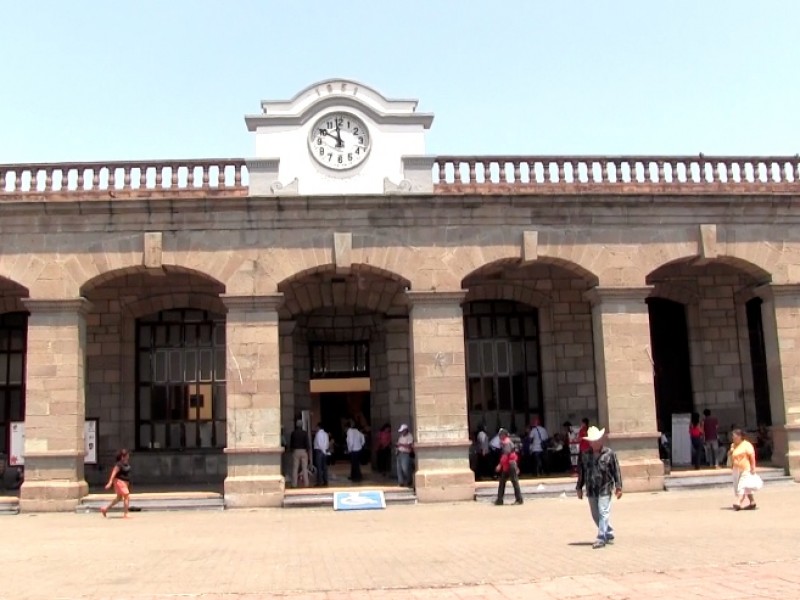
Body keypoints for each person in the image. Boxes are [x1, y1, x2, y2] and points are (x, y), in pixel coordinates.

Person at [576, 426, 623, 549]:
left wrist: (619, 486)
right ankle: (609, 532)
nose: (595, 442)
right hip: (591, 488)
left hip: (605, 487)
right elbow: (581, 472)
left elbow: (616, 471)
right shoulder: (585, 455)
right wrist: (579, 488)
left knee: (603, 512)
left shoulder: (609, 454)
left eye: (597, 440)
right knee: (595, 514)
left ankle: (601, 537)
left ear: (601, 440)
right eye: (593, 440)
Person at [729, 428, 761, 511]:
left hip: (746, 468)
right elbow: (731, 455)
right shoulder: (733, 445)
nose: (733, 438)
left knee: (742, 486)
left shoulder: (747, 445)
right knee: (746, 487)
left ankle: (738, 502)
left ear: (740, 436)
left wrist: (753, 467)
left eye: (734, 436)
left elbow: (752, 456)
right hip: (736, 469)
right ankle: (752, 501)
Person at [494, 428, 523, 505]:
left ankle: (519, 499)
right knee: (502, 482)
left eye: (500, 434)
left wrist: (500, 465)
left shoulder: (506, 442)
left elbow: (506, 455)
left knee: (514, 482)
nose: (499, 436)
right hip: (508, 465)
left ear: (504, 435)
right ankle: (499, 500)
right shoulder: (505, 442)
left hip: (509, 465)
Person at [100, 449, 132, 518]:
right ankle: (126, 514)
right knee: (126, 496)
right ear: (123, 456)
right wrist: (110, 482)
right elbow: (113, 473)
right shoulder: (119, 464)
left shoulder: (126, 463)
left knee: (119, 498)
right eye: (127, 455)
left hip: (125, 483)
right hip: (119, 482)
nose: (128, 456)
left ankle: (105, 509)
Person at [289, 419, 311, 487]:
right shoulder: (304, 433)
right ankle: (306, 483)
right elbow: (307, 443)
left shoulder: (293, 433)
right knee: (304, 468)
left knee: (295, 468)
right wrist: (308, 451)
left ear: (296, 425)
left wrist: (292, 450)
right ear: (302, 425)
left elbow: (291, 443)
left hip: (296, 451)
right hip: (303, 451)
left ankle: (294, 484)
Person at [313, 422, 330, 487]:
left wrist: (323, 450)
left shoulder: (318, 434)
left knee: (319, 467)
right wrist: (325, 451)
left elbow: (320, 444)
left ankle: (319, 482)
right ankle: (325, 481)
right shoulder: (326, 434)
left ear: (319, 427)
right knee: (325, 467)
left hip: (319, 451)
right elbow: (327, 443)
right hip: (325, 451)